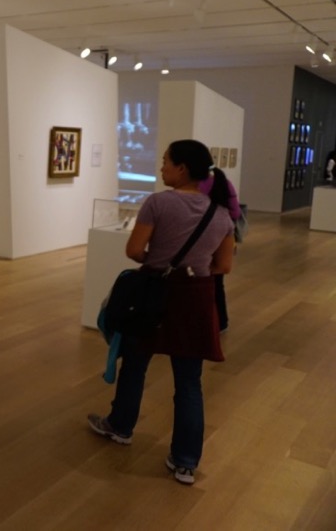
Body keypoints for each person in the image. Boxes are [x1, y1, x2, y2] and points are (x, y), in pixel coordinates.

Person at [88, 139, 235, 486]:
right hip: (196, 297)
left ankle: (120, 426)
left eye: (166, 161)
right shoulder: (221, 214)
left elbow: (134, 249)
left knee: (135, 364)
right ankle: (185, 462)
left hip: (154, 292)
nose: (161, 167)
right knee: (189, 381)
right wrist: (193, 268)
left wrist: (158, 263)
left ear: (182, 168)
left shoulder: (158, 202)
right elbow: (223, 266)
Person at [198, 169, 241, 332]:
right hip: (222, 237)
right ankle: (221, 322)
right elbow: (235, 212)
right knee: (217, 281)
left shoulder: (196, 185)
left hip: (202, 238)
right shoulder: (224, 182)